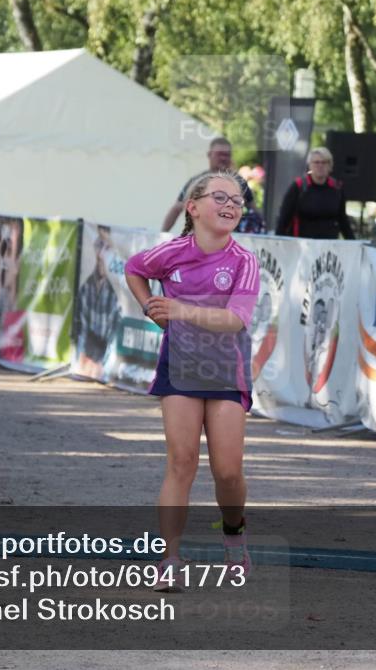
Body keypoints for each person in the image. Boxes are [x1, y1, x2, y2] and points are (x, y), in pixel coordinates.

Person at [126, 169, 260, 592]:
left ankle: (234, 538)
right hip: (180, 371)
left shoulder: (244, 261)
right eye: (220, 197)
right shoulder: (172, 253)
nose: (230, 206)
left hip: (224, 373)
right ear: (193, 207)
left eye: (237, 201)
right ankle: (169, 559)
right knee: (181, 462)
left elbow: (236, 320)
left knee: (228, 472)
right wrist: (150, 305)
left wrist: (179, 310)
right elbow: (133, 268)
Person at [161, 137, 257, 232]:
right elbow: (177, 209)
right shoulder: (196, 181)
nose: (223, 158)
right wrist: (163, 235)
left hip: (230, 239)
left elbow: (254, 211)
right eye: (219, 154)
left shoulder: (240, 182)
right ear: (209, 155)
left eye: (227, 155)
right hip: (201, 241)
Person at [275, 147, 356, 239]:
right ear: (310, 165)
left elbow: (343, 220)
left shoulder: (337, 188)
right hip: (301, 245)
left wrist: (353, 242)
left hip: (328, 246)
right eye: (316, 162)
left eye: (324, 162)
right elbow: (284, 220)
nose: (320, 166)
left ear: (330, 166)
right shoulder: (298, 187)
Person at [75, 226, 122, 379]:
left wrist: (104, 364)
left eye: (107, 247)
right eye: (99, 246)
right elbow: (81, 329)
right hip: (88, 356)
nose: (102, 253)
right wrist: (81, 358)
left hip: (104, 359)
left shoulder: (116, 292)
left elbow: (115, 336)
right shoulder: (86, 288)